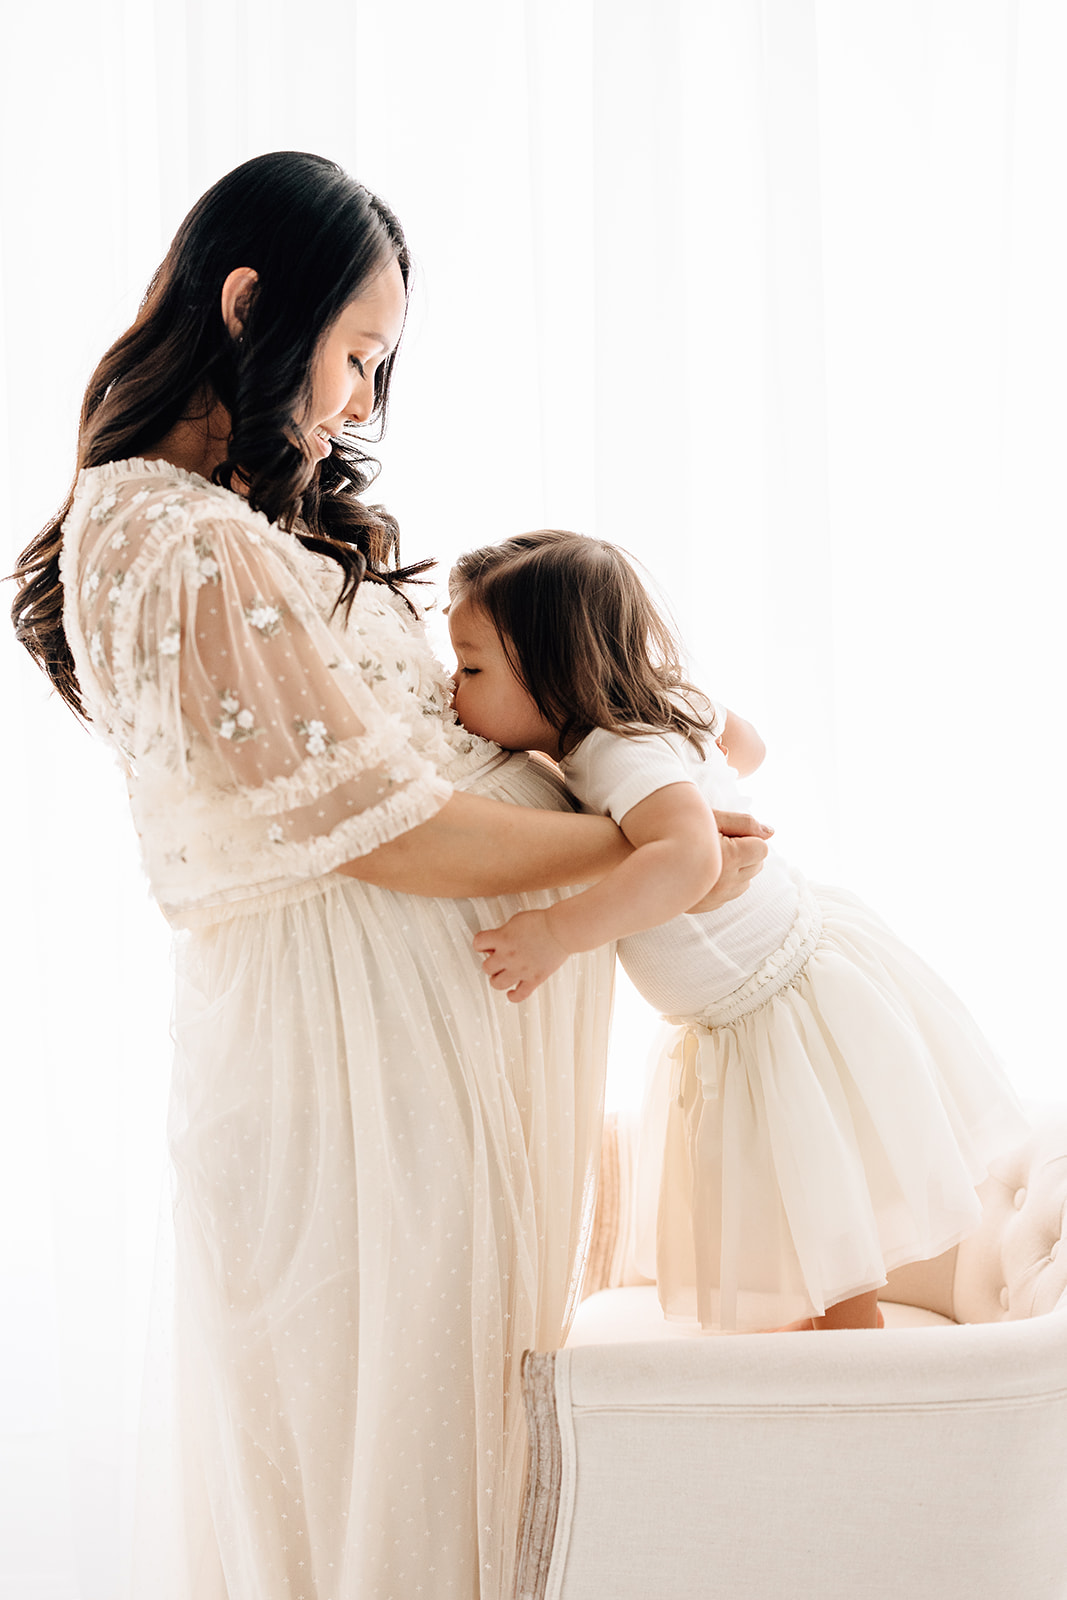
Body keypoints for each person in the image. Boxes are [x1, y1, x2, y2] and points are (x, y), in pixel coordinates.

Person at [9, 154, 769, 1598]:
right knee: (387, 1471)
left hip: (406, 1058)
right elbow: (386, 828)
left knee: (447, 1458)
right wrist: (644, 848)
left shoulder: (232, 521)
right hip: (349, 1079)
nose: (360, 399)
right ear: (248, 304)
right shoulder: (166, 529)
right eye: (357, 353)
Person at [448, 528, 1029, 1335]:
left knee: (824, 1236)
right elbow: (745, 745)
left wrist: (555, 932)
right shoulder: (655, 712)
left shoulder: (617, 754)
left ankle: (867, 1395)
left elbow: (687, 861)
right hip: (781, 980)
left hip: (768, 1006)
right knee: (808, 1233)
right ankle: (833, 1364)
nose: (452, 688)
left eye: (472, 668)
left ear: (552, 671)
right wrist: (697, 771)